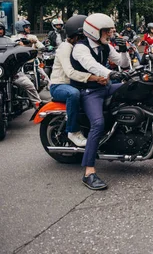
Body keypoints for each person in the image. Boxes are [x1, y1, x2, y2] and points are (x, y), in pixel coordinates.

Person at [71, 13, 131, 190]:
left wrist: (124, 50)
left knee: (135, 88)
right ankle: (89, 172)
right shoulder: (80, 48)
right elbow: (91, 65)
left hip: (105, 87)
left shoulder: (104, 46)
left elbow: (122, 63)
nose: (110, 34)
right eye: (106, 31)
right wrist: (110, 73)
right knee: (97, 123)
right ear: (94, 31)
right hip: (89, 91)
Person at [50, 15, 108, 147]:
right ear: (76, 35)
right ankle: (73, 131)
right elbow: (70, 72)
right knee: (73, 94)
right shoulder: (66, 47)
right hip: (60, 86)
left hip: (74, 84)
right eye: (84, 36)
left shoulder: (79, 47)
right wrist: (95, 78)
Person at [0, 23, 42, 105]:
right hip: (1, 72)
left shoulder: (9, 40)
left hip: (12, 72)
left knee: (29, 85)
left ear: (3, 30)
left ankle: (38, 107)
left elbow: (18, 48)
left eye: (0, 29)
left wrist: (20, 46)